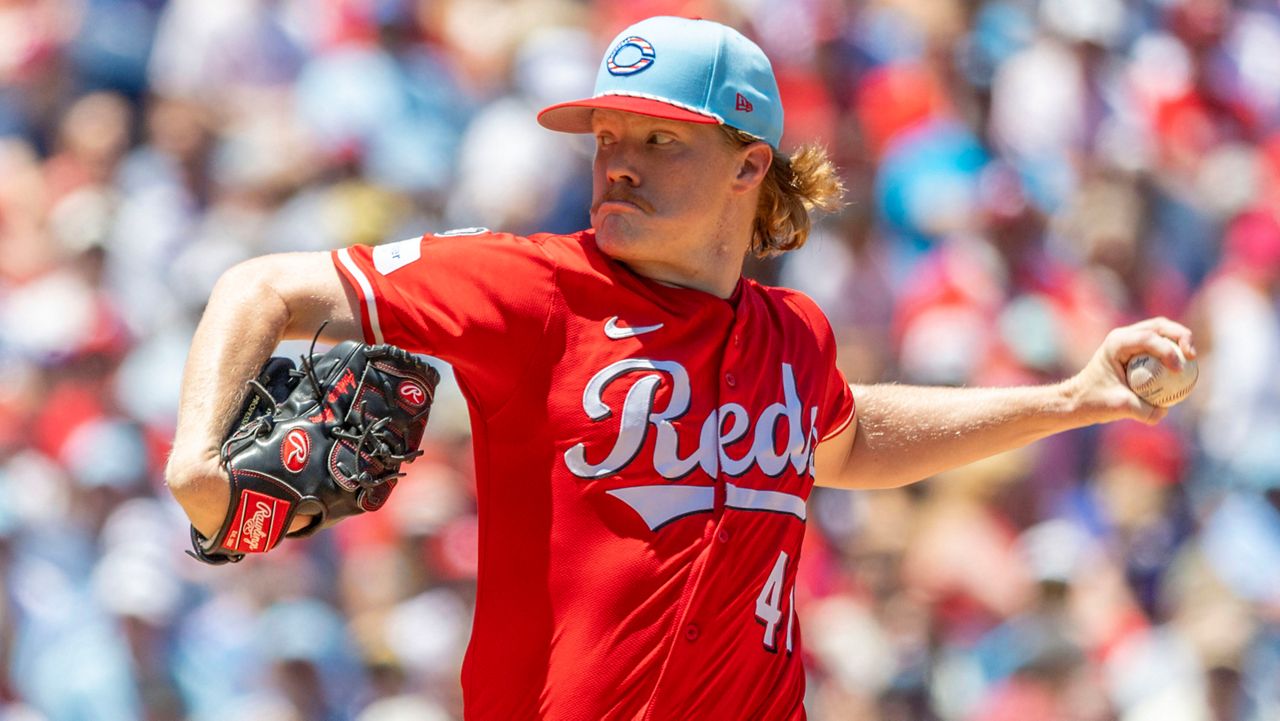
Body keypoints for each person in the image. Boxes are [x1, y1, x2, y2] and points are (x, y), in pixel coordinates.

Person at [165, 15, 1195, 721]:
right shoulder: (531, 288)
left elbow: (853, 439)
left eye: (659, 139)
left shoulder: (792, 336)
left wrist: (1072, 398)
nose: (617, 159)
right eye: (607, 133)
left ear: (750, 162)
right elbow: (261, 287)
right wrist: (196, 460)